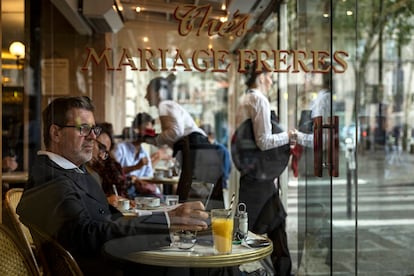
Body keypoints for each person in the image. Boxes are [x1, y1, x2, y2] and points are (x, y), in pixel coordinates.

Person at [16, 96, 209, 275]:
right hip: (112, 269)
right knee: (200, 264)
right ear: (56, 133)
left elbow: (108, 220)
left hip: (119, 259)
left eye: (94, 129)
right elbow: (89, 234)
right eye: (83, 128)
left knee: (205, 256)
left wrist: (164, 216)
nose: (93, 136)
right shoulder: (49, 178)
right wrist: (166, 221)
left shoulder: (71, 171)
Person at [234, 60, 293, 275]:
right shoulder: (259, 99)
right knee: (249, 231)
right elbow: (264, 141)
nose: (271, 80)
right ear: (260, 77)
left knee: (273, 223)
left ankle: (281, 270)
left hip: (252, 174)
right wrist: (288, 136)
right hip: (260, 176)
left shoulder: (245, 98)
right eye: (269, 76)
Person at [113, 112, 162, 199]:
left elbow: (149, 178)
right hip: (124, 192)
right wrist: (136, 167)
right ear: (136, 129)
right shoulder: (121, 148)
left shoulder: (145, 154)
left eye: (150, 131)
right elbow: (114, 171)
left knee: (160, 199)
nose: (149, 134)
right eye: (146, 130)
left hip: (141, 194)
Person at [86, 122, 130, 207]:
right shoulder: (77, 168)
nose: (101, 156)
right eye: (101, 147)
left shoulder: (99, 171)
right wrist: (106, 200)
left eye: (105, 152)